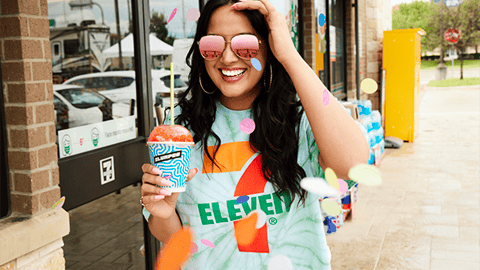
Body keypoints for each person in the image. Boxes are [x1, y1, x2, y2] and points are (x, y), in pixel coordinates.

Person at [140, 0, 370, 269]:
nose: (227, 58)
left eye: (245, 45)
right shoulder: (179, 126)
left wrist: (290, 55)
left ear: (269, 47)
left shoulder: (299, 116)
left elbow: (355, 167)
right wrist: (163, 212)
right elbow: (176, 237)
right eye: (213, 46)